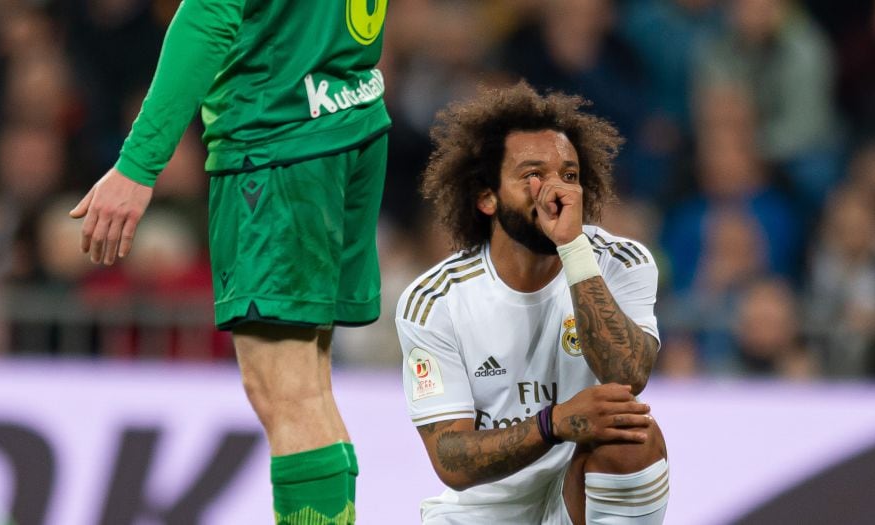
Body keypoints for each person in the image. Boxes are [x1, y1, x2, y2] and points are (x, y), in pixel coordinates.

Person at [70, 1, 390, 522]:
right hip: (347, 115)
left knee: (286, 393)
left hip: (277, 141)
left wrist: (138, 165)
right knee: (308, 388)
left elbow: (209, 15)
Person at [397, 82, 669, 524]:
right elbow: (451, 459)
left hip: (575, 494)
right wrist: (553, 422)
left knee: (631, 437)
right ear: (487, 197)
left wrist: (573, 249)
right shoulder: (435, 300)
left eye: (569, 175)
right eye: (532, 174)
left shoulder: (621, 261)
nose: (555, 191)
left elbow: (627, 375)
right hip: (484, 513)